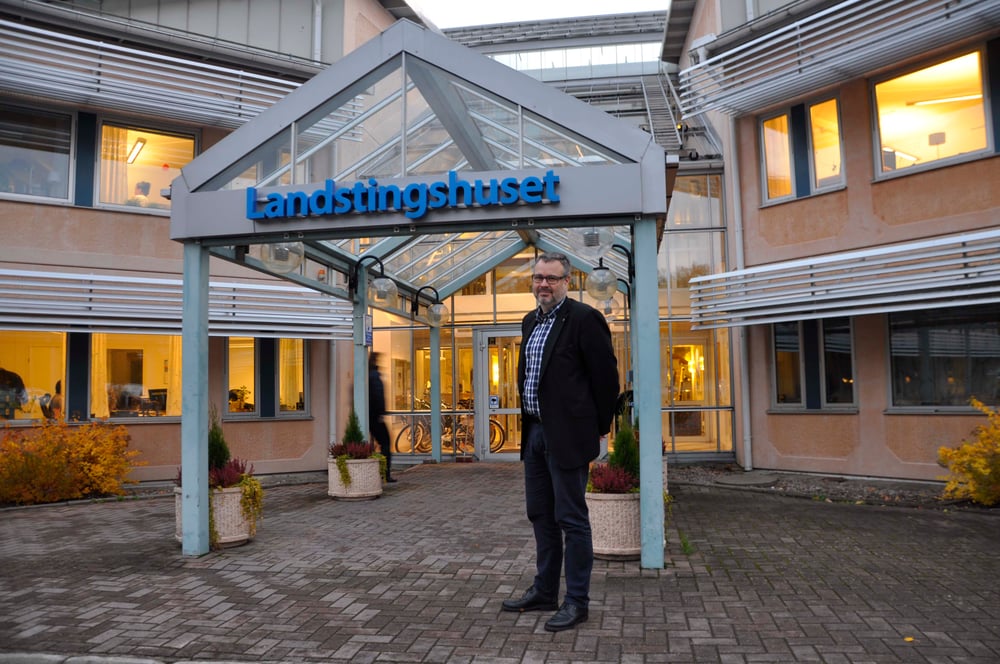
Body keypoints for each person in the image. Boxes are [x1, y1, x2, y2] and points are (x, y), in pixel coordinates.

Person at [502, 252, 619, 632]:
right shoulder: (529, 321)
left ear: (567, 282)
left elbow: (606, 380)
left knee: (572, 518)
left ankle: (577, 601)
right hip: (535, 432)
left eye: (551, 279)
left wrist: (600, 426)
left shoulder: (585, 320)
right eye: (538, 278)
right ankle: (545, 590)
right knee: (540, 514)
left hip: (568, 434)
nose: (543, 285)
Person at [368, 352, 396, 483]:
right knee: (385, 443)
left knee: (373, 444)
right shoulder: (375, 376)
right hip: (375, 416)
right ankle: (385, 473)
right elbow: (378, 396)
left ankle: (377, 471)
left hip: (368, 415)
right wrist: (381, 413)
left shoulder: (365, 374)